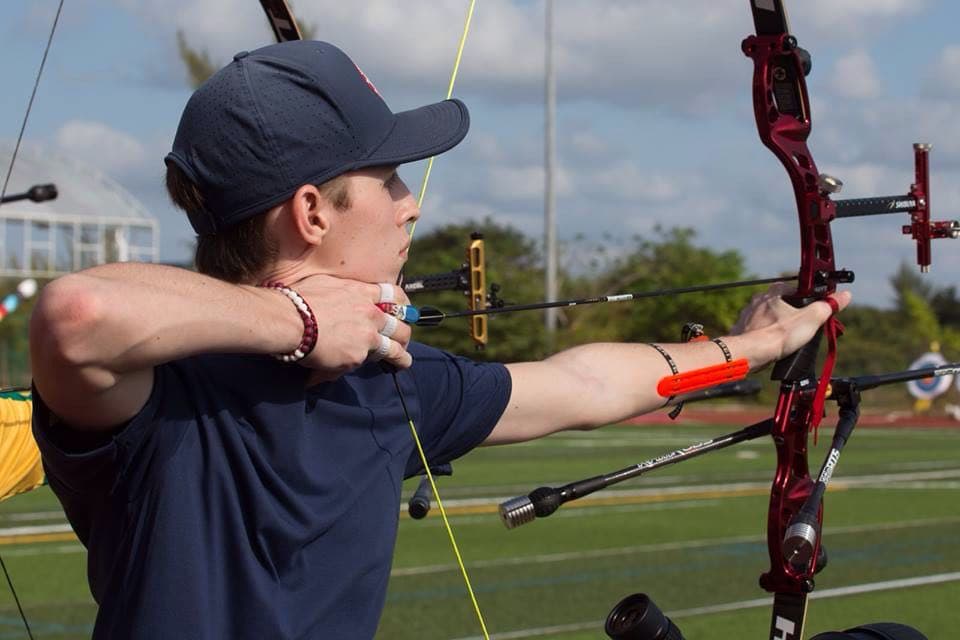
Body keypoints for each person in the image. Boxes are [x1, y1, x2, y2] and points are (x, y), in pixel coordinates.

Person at [28, 40, 850, 639]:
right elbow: (76, 315)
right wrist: (306, 321)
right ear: (312, 213)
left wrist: (752, 349)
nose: (409, 204)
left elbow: (586, 384)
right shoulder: (161, 392)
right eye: (387, 181)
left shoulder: (388, 378)